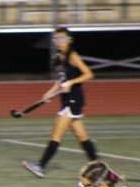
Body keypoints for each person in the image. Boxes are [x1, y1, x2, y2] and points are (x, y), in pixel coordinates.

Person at [22, 27, 98, 178]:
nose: (59, 42)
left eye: (62, 38)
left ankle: (41, 166)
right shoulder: (58, 58)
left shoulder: (72, 56)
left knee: (56, 134)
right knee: (82, 136)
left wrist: (72, 82)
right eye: (56, 39)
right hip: (67, 100)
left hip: (73, 100)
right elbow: (60, 81)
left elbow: (89, 74)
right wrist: (48, 94)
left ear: (69, 40)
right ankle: (99, 168)